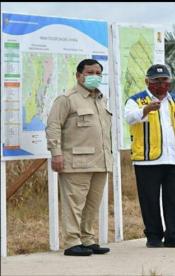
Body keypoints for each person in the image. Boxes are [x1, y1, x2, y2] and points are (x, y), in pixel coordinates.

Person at [46, 59, 112, 256]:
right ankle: (72, 241)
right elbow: (53, 126)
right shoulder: (67, 99)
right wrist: (56, 154)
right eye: (90, 72)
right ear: (78, 75)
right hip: (76, 161)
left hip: (100, 161)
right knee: (74, 204)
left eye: (98, 73)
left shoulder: (100, 98)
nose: (94, 76)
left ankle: (87, 239)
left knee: (93, 204)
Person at [124, 64, 175, 248]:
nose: (161, 84)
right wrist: (146, 109)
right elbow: (129, 118)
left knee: (174, 199)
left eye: (164, 80)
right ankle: (154, 236)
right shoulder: (136, 100)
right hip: (147, 160)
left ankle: (174, 236)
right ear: (147, 81)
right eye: (156, 81)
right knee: (149, 200)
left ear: (169, 82)